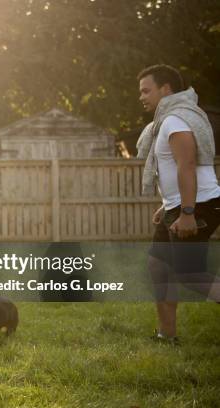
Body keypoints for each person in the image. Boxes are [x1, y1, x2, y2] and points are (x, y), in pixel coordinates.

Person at [136, 64, 220, 344]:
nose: (142, 97)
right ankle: (166, 335)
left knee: (190, 274)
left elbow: (187, 165)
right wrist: (169, 204)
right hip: (180, 206)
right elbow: (174, 171)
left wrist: (186, 212)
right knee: (158, 265)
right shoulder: (167, 120)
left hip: (199, 206)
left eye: (146, 90)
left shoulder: (176, 120)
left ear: (166, 89)